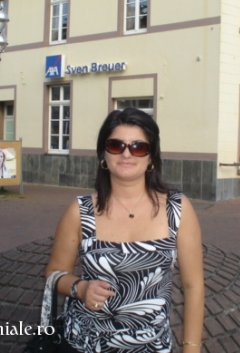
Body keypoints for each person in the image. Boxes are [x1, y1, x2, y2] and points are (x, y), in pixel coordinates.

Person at [45, 108, 204, 352]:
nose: (126, 153)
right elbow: (54, 273)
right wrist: (81, 288)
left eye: (138, 147)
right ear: (104, 154)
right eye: (116, 145)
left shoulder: (177, 208)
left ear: (151, 157)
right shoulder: (80, 211)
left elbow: (193, 286)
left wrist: (191, 348)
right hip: (86, 345)